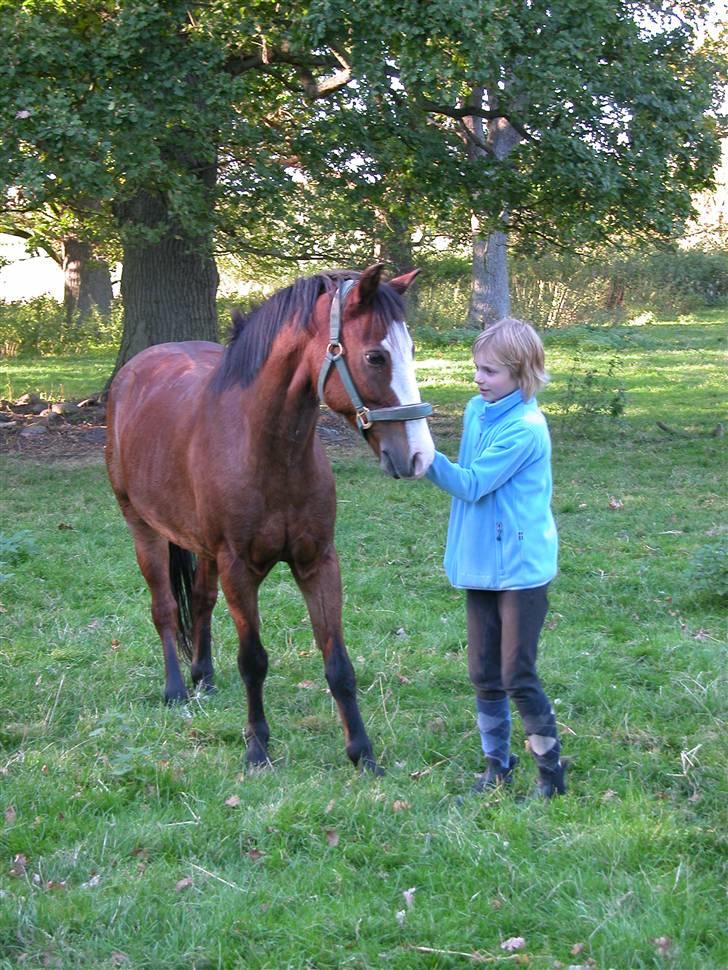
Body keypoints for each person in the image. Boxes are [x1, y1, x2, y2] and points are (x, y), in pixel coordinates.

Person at [425, 317, 566, 797]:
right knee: (483, 673)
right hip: (482, 560)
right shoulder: (475, 409)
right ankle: (497, 768)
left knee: (516, 674)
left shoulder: (525, 429)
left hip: (521, 569)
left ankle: (551, 777)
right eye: (477, 369)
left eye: (491, 371)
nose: (479, 379)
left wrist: (421, 453)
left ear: (522, 373)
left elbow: (471, 483)